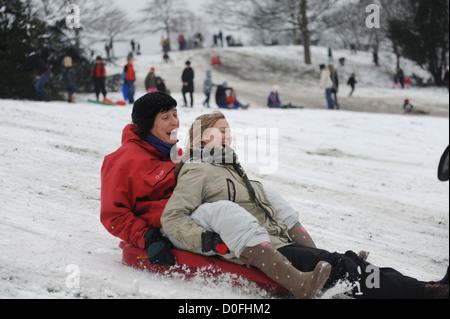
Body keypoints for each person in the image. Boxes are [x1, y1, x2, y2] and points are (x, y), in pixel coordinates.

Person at [161, 112, 449, 299]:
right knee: (346, 265)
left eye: (229, 130)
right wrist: (208, 240)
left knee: (348, 263)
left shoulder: (230, 168)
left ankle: (427, 287)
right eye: (221, 131)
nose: (229, 135)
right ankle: (426, 293)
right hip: (262, 250)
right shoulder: (197, 169)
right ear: (201, 137)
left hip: (280, 242)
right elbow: (173, 218)